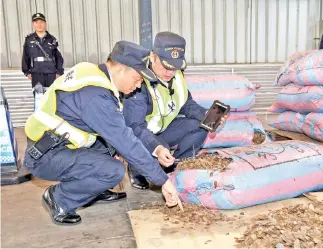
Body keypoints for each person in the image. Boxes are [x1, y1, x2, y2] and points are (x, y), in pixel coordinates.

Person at [23, 41, 180, 226]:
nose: (138, 86)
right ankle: (60, 198)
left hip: (55, 144)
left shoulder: (95, 73)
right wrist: (163, 180)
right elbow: (125, 140)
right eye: (137, 79)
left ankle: (94, 189)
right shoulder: (95, 95)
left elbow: (121, 131)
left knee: (113, 143)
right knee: (115, 171)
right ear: (121, 68)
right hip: (45, 156)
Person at [123, 32, 225, 189]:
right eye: (165, 66)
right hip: (143, 135)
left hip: (165, 129)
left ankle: (178, 167)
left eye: (175, 67)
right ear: (153, 56)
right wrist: (157, 148)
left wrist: (207, 115)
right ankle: (136, 168)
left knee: (200, 125)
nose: (170, 73)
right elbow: (135, 127)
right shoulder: (138, 81)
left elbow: (186, 104)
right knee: (157, 155)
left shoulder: (176, 77)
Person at [22, 13, 64, 91]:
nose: (39, 25)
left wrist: (59, 72)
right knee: (38, 98)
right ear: (33, 24)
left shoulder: (52, 39)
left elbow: (59, 57)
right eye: (36, 22)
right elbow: (25, 56)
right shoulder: (29, 39)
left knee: (52, 98)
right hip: (36, 73)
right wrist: (27, 72)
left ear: (45, 23)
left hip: (51, 74)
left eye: (41, 22)